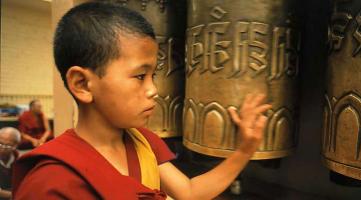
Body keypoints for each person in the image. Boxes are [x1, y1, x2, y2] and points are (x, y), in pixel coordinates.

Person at [12, 2, 271, 199]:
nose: (153, 90)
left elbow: (189, 192)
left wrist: (245, 148)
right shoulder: (51, 181)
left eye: (153, 75)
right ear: (82, 84)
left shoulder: (143, 142)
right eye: (140, 76)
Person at [0, 127, 20, 200]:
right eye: (0, 144)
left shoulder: (21, 161)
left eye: (7, 145)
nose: (2, 148)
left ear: (15, 146)